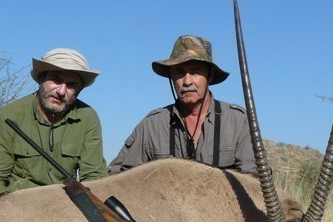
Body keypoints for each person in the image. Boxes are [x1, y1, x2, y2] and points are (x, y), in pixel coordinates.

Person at [108, 35, 255, 174]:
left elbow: (254, 181)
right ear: (171, 77)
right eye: (179, 72)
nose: (187, 82)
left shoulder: (238, 121)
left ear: (209, 76)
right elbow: (118, 176)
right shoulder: (152, 125)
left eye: (195, 72)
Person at [0, 48, 107, 202]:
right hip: (16, 206)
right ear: (41, 79)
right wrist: (11, 214)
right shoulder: (8, 117)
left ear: (78, 90)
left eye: (71, 85)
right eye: (56, 80)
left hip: (66, 208)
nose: (61, 91)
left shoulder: (88, 118)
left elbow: (95, 179)